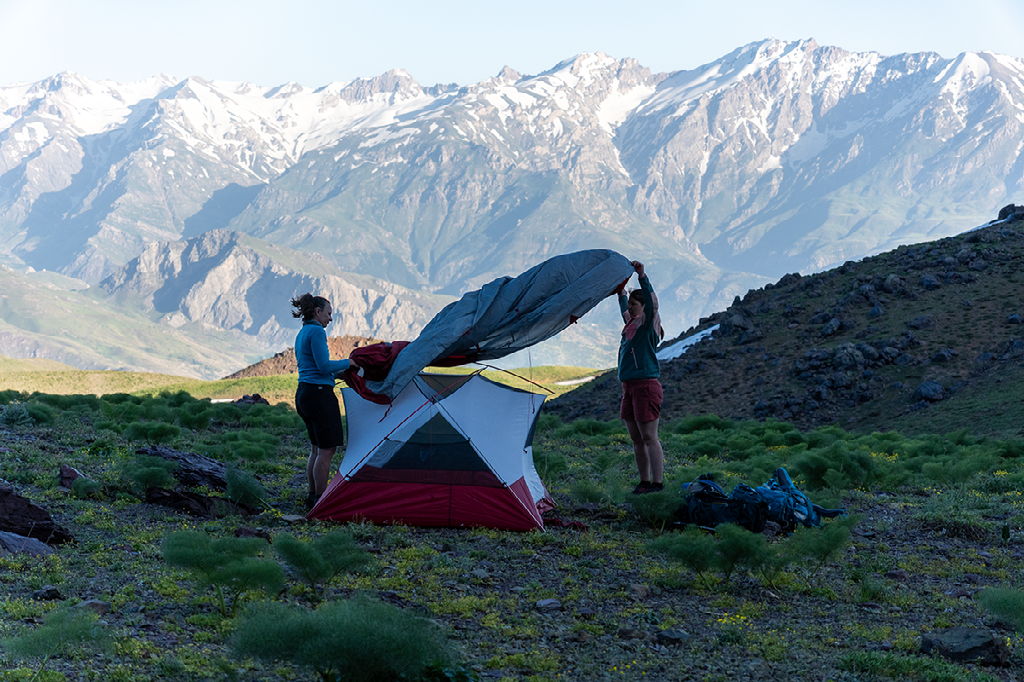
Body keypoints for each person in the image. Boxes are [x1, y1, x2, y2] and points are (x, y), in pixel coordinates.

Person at [291, 293, 352, 510]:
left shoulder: (303, 332)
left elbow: (313, 368)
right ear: (317, 312)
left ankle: (311, 497)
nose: (330, 319)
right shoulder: (316, 331)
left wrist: (339, 375)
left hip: (304, 393)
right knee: (327, 451)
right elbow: (324, 366)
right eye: (329, 313)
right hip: (319, 396)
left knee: (316, 449)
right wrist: (350, 363)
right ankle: (320, 500)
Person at [617, 261, 665, 494]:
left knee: (649, 436)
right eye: (629, 304)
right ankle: (644, 482)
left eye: (634, 304)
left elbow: (652, 302)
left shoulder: (646, 325)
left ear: (644, 307)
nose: (630, 307)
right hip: (629, 386)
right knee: (636, 438)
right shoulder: (631, 325)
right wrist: (621, 292)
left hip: (645, 386)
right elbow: (624, 311)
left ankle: (657, 483)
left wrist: (642, 276)